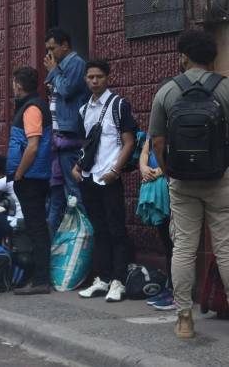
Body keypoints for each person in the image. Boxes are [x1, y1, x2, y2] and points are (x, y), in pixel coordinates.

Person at [148, 29, 229, 338]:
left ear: (183, 56)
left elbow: (157, 141)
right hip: (221, 178)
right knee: (225, 247)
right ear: (213, 57)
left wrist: (170, 172)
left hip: (181, 182)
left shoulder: (167, 91)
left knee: (183, 247)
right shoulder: (225, 89)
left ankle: (184, 317)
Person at [73, 60, 137, 303]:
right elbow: (87, 144)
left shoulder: (118, 105)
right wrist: (77, 167)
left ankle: (118, 280)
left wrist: (116, 170)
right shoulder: (83, 109)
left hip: (109, 177)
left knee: (116, 229)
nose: (94, 81)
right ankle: (103, 278)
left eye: (99, 76)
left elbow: (128, 141)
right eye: (90, 77)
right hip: (89, 177)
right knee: (99, 229)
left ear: (107, 77)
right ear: (85, 79)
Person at [6, 67, 53, 296]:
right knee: (37, 228)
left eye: (14, 83)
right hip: (33, 176)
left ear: (18, 85)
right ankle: (39, 278)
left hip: (31, 177)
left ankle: (40, 280)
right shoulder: (31, 105)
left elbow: (33, 145)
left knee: (36, 229)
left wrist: (19, 173)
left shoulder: (32, 108)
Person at [44, 28, 90, 233]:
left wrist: (53, 71)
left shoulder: (75, 63)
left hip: (71, 137)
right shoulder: (62, 67)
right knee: (61, 193)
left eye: (53, 48)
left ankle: (82, 233)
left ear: (65, 45)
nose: (50, 54)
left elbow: (67, 90)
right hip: (60, 137)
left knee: (74, 189)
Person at [137, 136, 174, 311]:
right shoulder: (155, 127)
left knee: (175, 244)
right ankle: (170, 287)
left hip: (170, 186)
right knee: (167, 243)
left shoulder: (174, 123)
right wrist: (144, 168)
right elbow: (146, 151)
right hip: (156, 184)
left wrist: (159, 171)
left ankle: (176, 292)